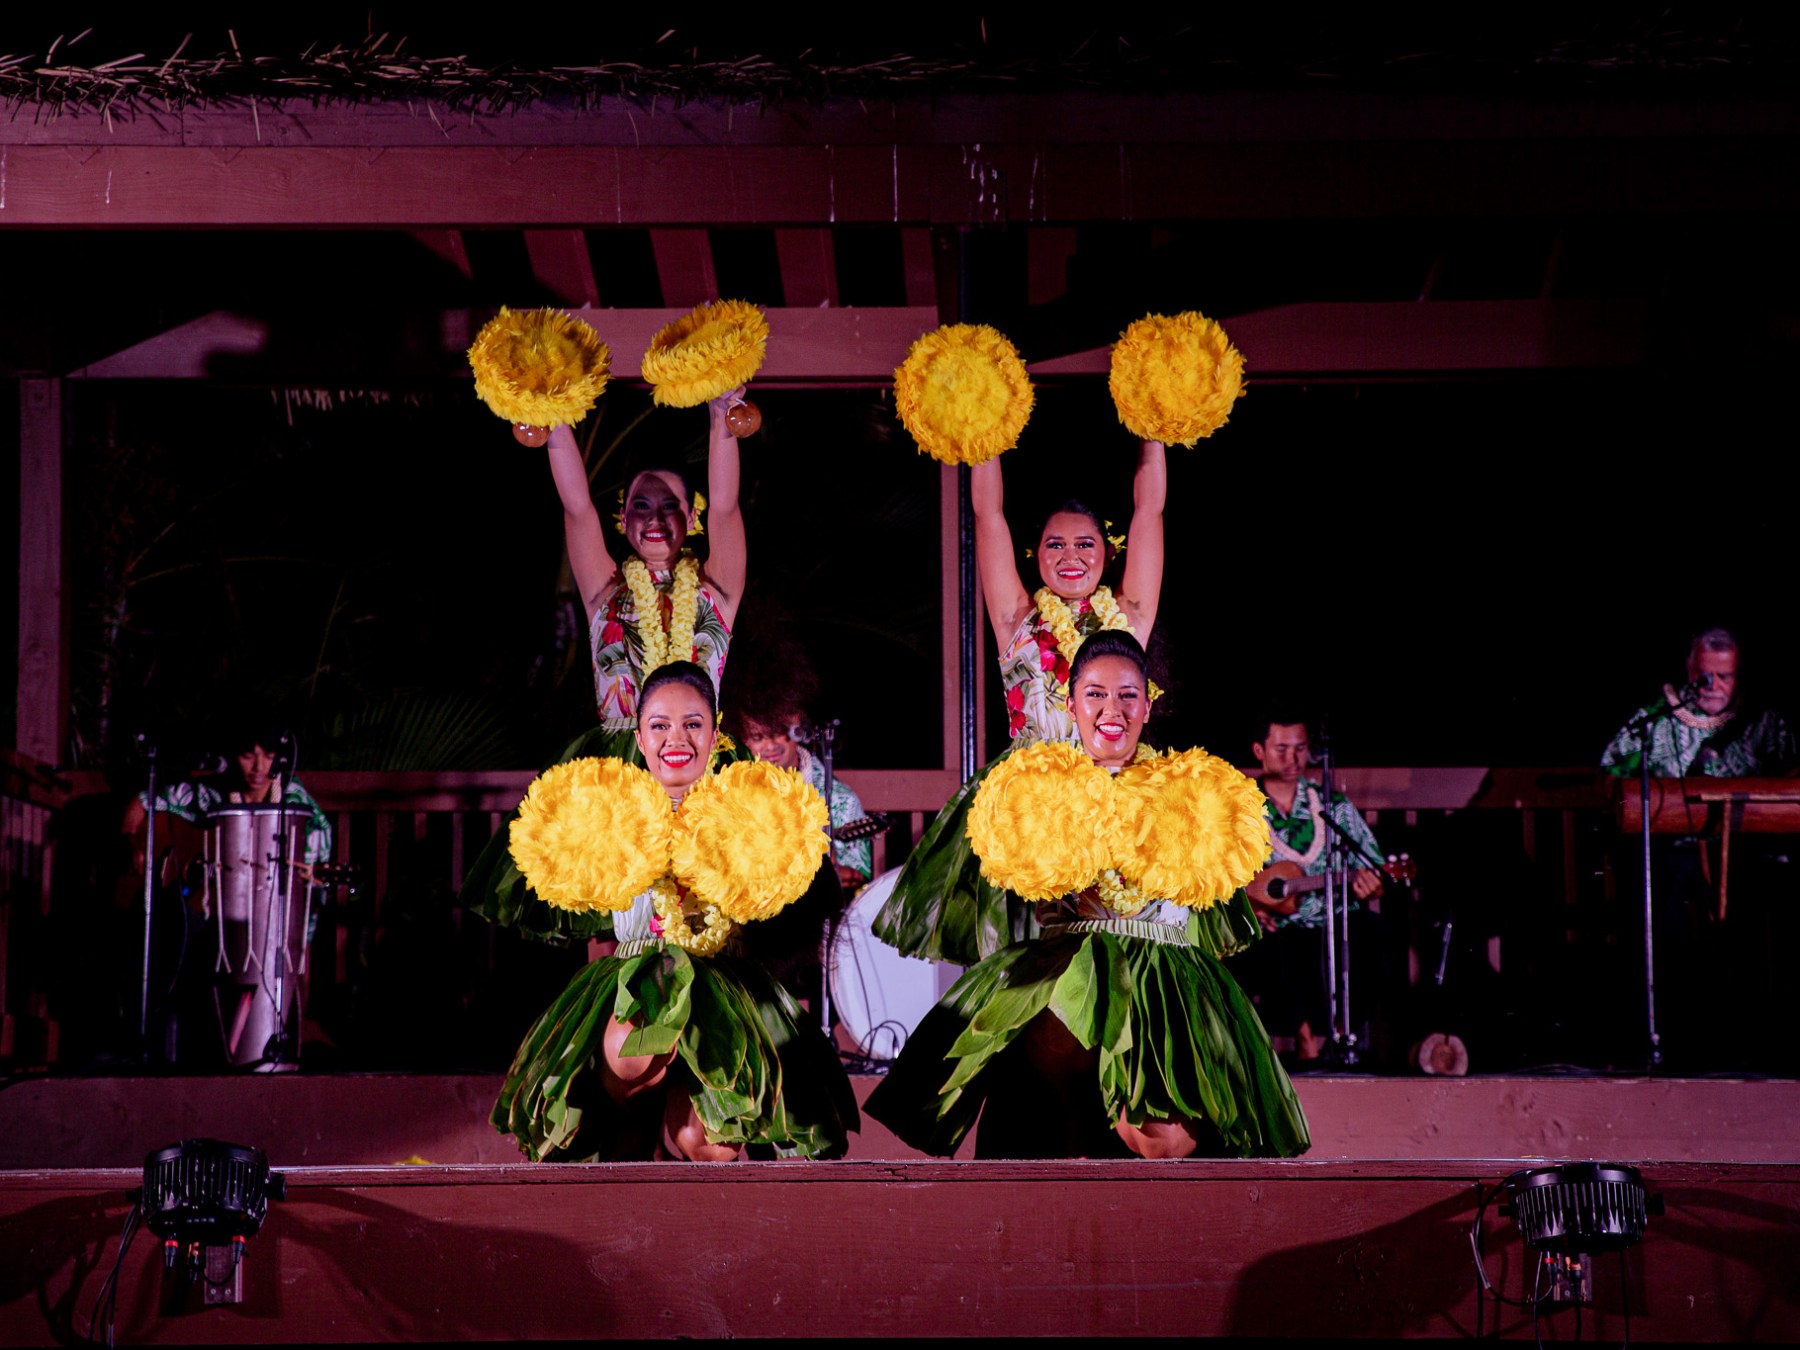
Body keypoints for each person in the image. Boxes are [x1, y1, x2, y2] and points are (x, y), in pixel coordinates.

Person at [864, 631, 1308, 1160]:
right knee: (1055, 1112)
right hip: (1066, 966)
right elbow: (1012, 883)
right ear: (1071, 705)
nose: (1111, 709)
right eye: (1095, 694)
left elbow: (1215, 899)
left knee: (1166, 1141)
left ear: (1148, 705)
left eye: (1127, 695)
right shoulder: (1039, 791)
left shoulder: (1192, 790)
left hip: (1161, 977)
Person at [491, 662, 858, 1161]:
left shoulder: (748, 811)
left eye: (693, 724)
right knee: (632, 1057)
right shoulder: (608, 812)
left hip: (726, 990)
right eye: (660, 725)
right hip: (640, 978)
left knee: (705, 1144)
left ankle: (684, 1130)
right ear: (640, 740)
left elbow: (799, 905)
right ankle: (633, 1125)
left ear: (715, 734)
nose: (676, 739)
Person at [461, 389, 750, 940]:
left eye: (671, 506)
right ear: (623, 517)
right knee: (621, 924)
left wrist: (721, 417)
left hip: (700, 765)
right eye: (641, 505)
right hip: (620, 772)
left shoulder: (718, 591)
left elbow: (727, 506)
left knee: (704, 923)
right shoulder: (605, 590)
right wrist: (554, 416)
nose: (656, 518)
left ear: (692, 516)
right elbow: (576, 507)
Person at [875, 438, 1166, 965]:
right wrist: (986, 434)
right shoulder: (1017, 619)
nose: (1071, 557)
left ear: (1107, 553)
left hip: (1117, 805)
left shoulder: (1128, 619)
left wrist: (1156, 429)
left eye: (1086, 544)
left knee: (1113, 953)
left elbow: (1149, 511)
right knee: (1034, 959)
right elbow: (988, 516)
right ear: (1037, 554)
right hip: (1031, 812)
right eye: (1056, 545)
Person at [118, 717, 333, 1065]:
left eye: (268, 756)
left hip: (269, 929)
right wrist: (131, 844)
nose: (258, 767)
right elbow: (144, 800)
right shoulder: (216, 792)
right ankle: (169, 1051)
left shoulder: (301, 811)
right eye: (248, 755)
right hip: (214, 918)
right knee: (174, 930)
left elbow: (307, 915)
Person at [1235, 712, 1387, 1063]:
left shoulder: (1332, 806)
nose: (1293, 758)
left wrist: (1373, 885)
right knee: (1271, 945)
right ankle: (1306, 1040)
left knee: (1373, 932)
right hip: (1275, 927)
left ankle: (1344, 1036)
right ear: (1259, 751)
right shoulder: (1238, 808)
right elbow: (1216, 875)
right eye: (1282, 749)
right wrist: (1249, 908)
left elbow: (1374, 869)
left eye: (1301, 749)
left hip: (1331, 923)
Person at [1600, 627, 1795, 779]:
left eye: (1724, 677)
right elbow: (1611, 772)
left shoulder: (1764, 721)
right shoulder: (1655, 718)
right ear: (1689, 667)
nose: (1713, 686)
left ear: (1737, 673)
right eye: (1704, 676)